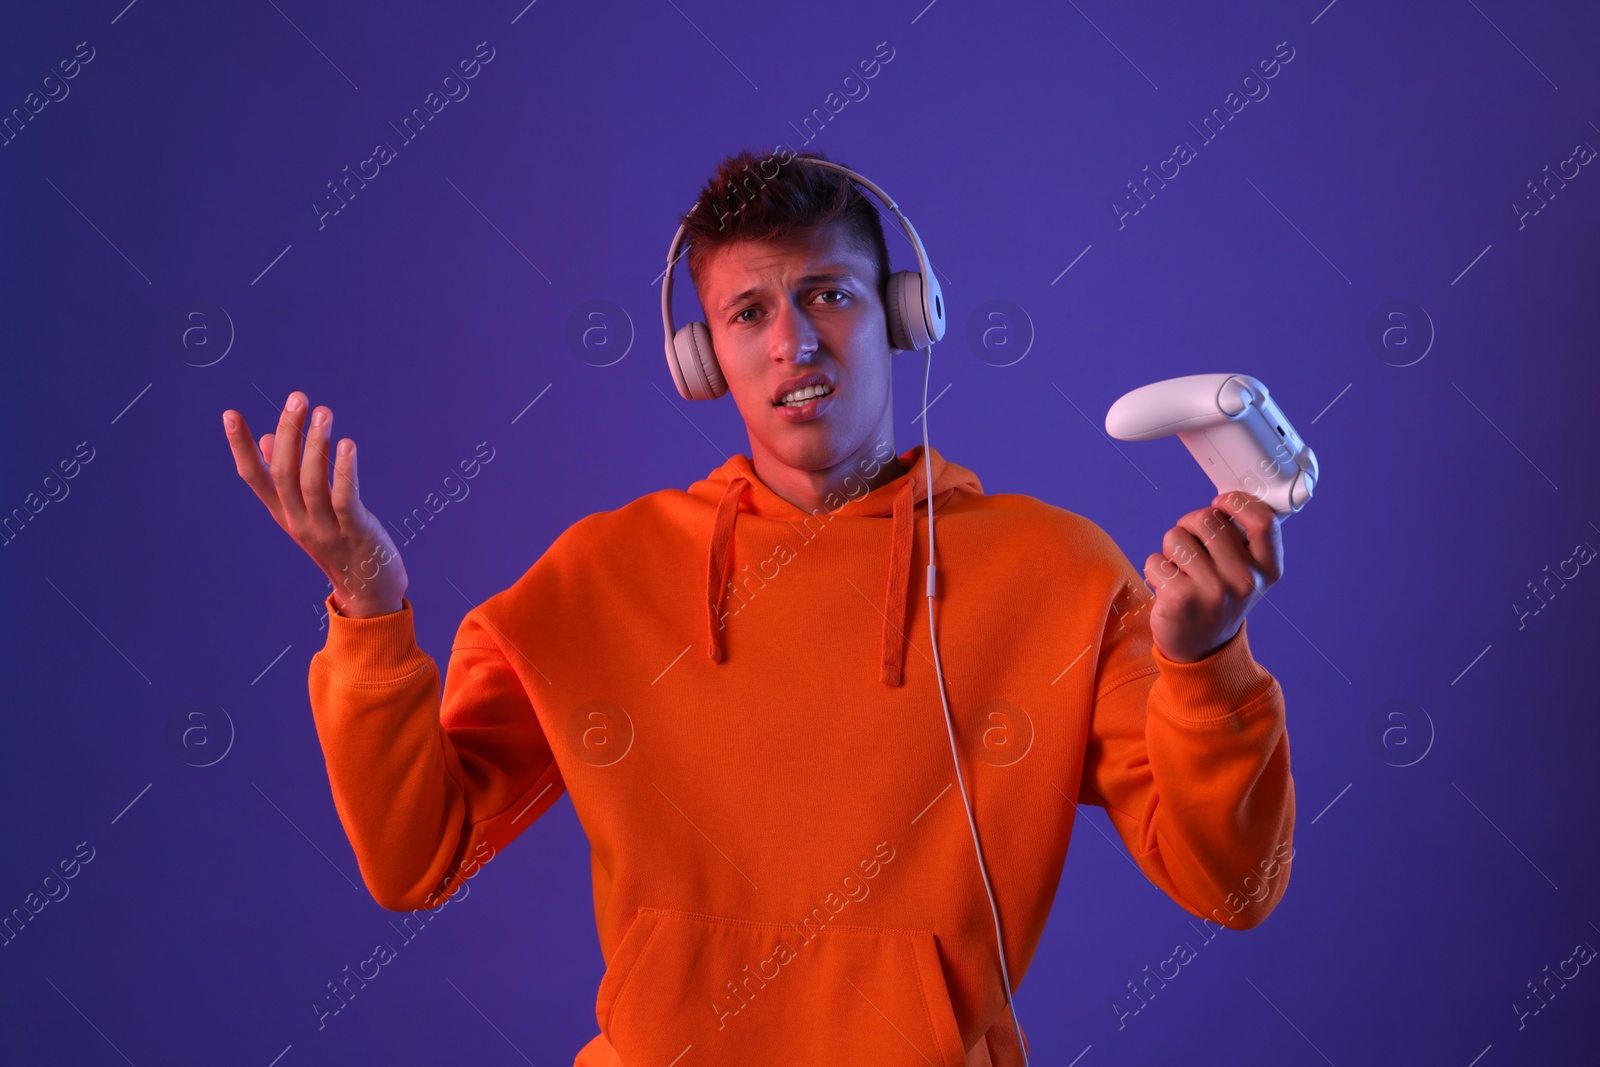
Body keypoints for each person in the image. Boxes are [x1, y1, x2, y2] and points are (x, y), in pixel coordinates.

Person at [221, 148, 1295, 1067]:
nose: (795, 342)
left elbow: (1232, 885)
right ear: (703, 359)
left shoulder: (1055, 570)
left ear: (901, 314)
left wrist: (1207, 662)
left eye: (829, 293)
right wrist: (367, 603)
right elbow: (416, 857)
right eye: (748, 311)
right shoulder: (602, 574)